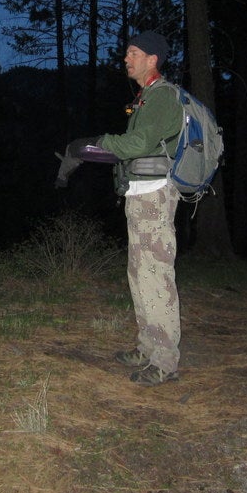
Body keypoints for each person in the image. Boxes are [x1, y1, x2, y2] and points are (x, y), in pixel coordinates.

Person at [56, 31, 183, 386]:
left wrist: (94, 143)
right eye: (127, 52)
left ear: (152, 58)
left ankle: (165, 361)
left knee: (156, 276)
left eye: (133, 52)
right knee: (139, 274)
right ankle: (147, 346)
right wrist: (89, 152)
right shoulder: (146, 99)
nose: (126, 58)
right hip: (140, 195)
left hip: (156, 197)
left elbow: (138, 143)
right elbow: (136, 147)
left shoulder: (164, 97)